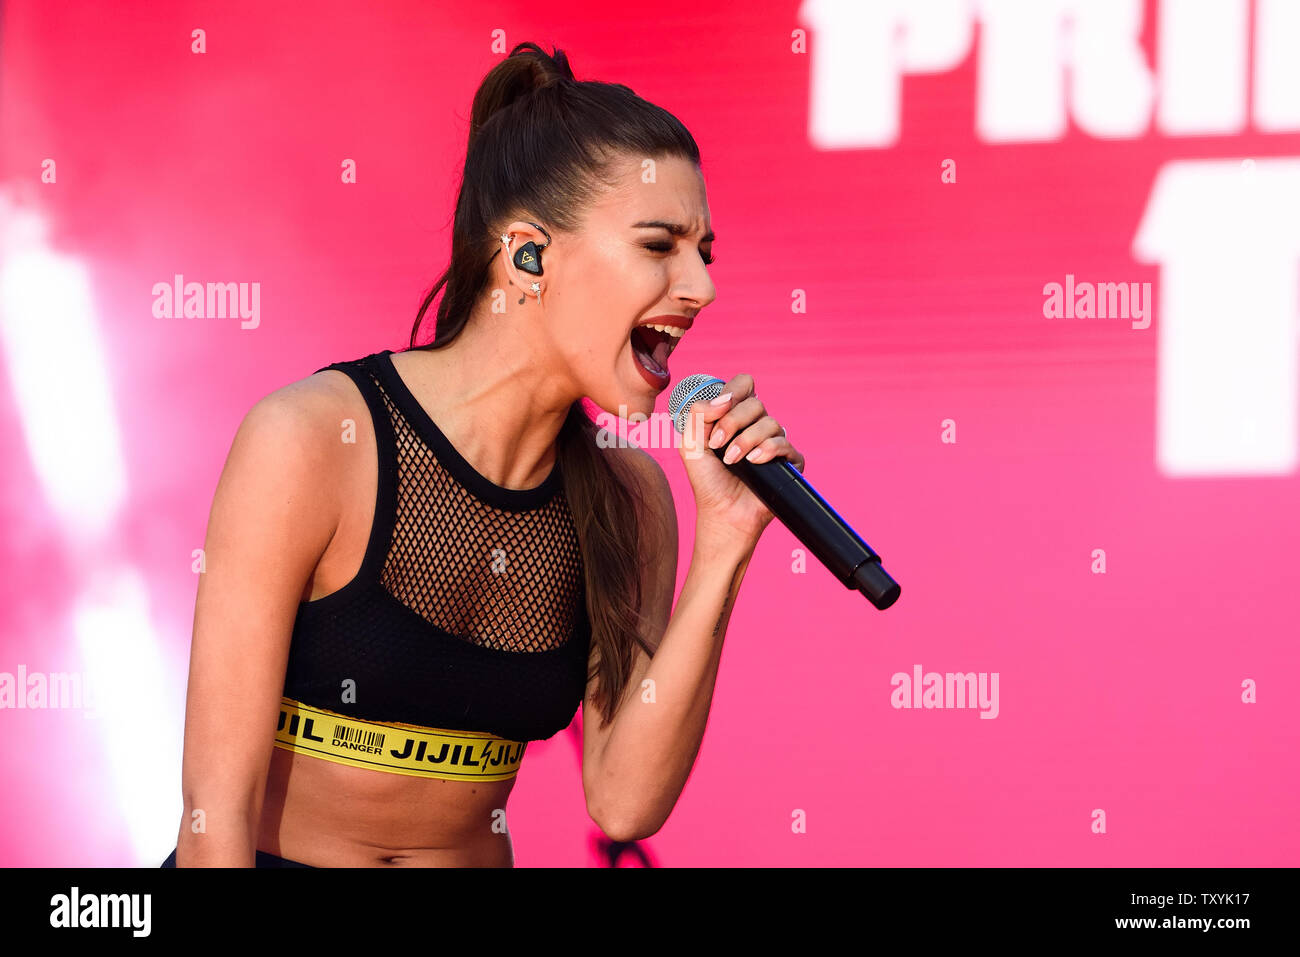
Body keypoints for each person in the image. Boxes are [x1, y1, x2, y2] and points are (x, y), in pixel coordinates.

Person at [162, 41, 804, 867]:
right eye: (659, 245)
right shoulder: (312, 439)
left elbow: (623, 800)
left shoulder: (627, 495)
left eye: (703, 252)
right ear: (529, 255)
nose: (701, 287)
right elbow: (214, 818)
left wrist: (725, 542)